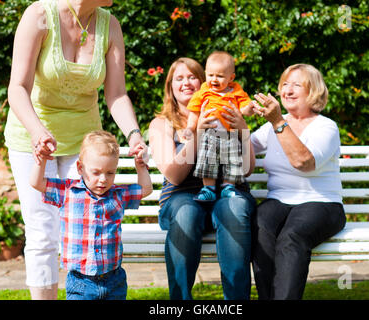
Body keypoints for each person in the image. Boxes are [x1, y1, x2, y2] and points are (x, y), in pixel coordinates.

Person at [4, 0, 146, 300]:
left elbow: (116, 93)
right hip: (34, 137)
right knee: (43, 232)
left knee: (85, 226)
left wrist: (133, 134)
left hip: (84, 146)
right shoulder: (40, 16)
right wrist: (37, 131)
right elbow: (17, 86)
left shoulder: (110, 25)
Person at [148, 57, 256, 300]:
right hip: (181, 199)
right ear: (170, 87)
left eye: (192, 77)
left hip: (226, 193)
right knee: (187, 212)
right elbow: (174, 176)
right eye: (179, 78)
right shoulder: (161, 124)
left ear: (204, 81)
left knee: (235, 207)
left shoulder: (228, 110)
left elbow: (247, 169)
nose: (186, 83)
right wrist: (197, 133)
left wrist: (243, 130)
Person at [249, 63, 346, 300]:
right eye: (284, 84)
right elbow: (243, 148)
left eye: (296, 85)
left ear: (313, 91)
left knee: (292, 236)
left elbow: (304, 163)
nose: (287, 90)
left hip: (322, 203)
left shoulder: (326, 127)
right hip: (280, 200)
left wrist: (279, 123)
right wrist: (236, 120)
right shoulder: (271, 125)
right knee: (258, 225)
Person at [30, 130, 152, 300]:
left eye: (110, 173)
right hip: (80, 282)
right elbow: (37, 183)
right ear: (80, 168)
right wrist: (41, 161)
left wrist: (141, 167)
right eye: (96, 172)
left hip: (114, 279)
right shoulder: (68, 191)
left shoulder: (118, 194)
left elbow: (146, 189)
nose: (103, 179)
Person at [184, 51, 252, 202]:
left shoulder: (236, 91)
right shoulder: (204, 92)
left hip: (231, 134)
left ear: (231, 78)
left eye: (220, 76)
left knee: (233, 159)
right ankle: (208, 189)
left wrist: (249, 109)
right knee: (208, 159)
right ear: (206, 74)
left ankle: (228, 187)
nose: (214, 79)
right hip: (210, 133)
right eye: (211, 75)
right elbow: (194, 112)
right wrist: (190, 127)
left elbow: (245, 106)